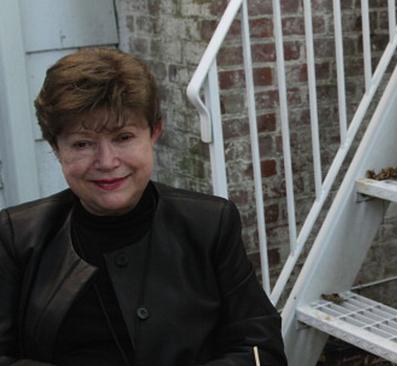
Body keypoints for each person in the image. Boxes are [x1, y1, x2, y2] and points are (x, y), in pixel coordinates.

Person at [0, 48, 287, 366]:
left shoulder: (209, 224)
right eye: (82, 143)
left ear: (154, 133)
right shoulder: (17, 237)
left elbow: (262, 349)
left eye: (123, 137)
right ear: (56, 149)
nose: (107, 162)